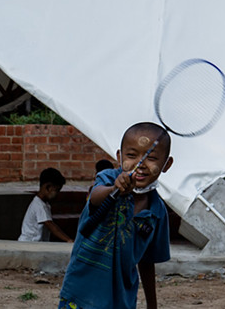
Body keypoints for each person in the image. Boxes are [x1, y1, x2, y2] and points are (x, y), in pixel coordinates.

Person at [59, 122, 174, 309]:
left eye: (151, 158)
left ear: (166, 164)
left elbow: (147, 261)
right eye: (131, 155)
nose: (140, 165)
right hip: (83, 291)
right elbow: (95, 198)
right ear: (119, 157)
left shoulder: (157, 212)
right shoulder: (107, 179)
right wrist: (114, 189)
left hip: (122, 297)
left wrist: (152, 305)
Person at [18, 167, 74, 243]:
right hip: (29, 243)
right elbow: (50, 225)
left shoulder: (44, 204)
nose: (57, 194)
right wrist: (68, 239)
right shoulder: (39, 205)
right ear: (48, 187)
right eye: (56, 190)